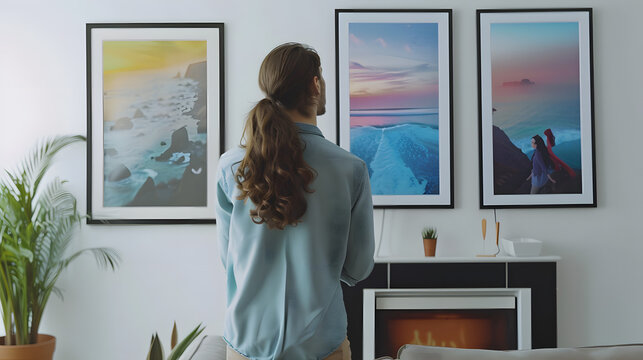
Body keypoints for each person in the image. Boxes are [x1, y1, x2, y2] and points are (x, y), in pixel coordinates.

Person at [215, 43, 375, 360]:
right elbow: (358, 268)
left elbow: (229, 259)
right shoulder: (350, 169)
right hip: (321, 346)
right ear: (315, 84)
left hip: (246, 344)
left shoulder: (231, 166)